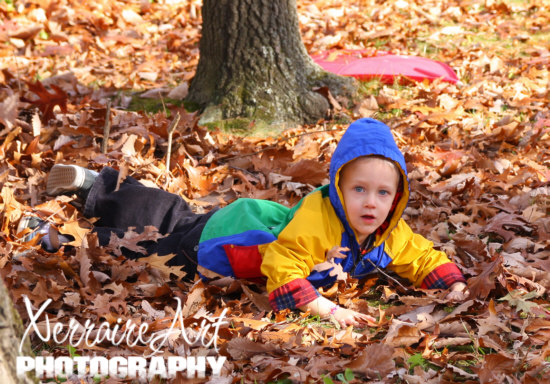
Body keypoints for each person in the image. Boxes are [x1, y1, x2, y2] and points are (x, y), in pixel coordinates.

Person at [19, 118, 468, 327]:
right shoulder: (320, 220)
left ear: (397, 197)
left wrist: (451, 283)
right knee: (145, 246)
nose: (371, 202)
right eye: (359, 189)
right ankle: (62, 237)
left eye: (383, 193)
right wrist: (324, 308)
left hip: (241, 220)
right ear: (337, 187)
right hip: (225, 247)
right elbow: (284, 265)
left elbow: (420, 255)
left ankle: (99, 186)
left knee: (172, 213)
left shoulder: (390, 232)